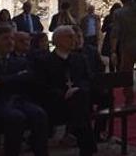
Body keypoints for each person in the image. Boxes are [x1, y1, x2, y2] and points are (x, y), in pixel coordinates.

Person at [0, 26, 49, 156]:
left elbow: (27, 77)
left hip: (19, 101)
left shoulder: (20, 62)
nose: (10, 42)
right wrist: (15, 78)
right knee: (15, 117)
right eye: (5, 39)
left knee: (39, 114)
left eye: (12, 39)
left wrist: (1, 80)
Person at [34, 25, 98, 156]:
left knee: (79, 97)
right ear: (57, 40)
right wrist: (64, 93)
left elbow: (87, 79)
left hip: (78, 100)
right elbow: (42, 86)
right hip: (56, 102)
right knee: (81, 106)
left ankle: (85, 145)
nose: (74, 39)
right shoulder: (44, 61)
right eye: (69, 37)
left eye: (74, 36)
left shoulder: (80, 58)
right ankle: (88, 147)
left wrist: (78, 88)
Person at [100, 3, 122, 71]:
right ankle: (112, 75)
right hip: (109, 40)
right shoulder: (108, 18)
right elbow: (103, 29)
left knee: (119, 58)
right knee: (111, 59)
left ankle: (118, 74)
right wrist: (110, 26)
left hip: (119, 40)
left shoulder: (121, 18)